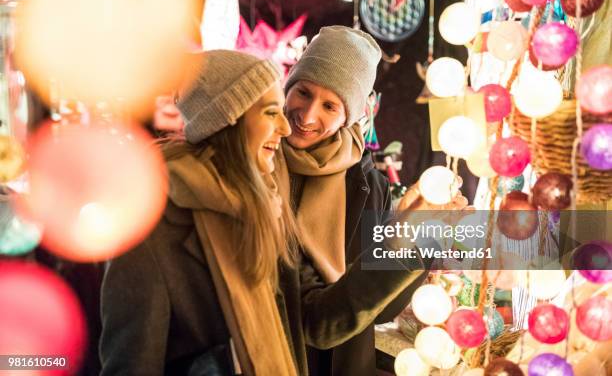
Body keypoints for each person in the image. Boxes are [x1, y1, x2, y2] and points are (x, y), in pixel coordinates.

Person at [99, 50, 426, 376]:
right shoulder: (149, 229)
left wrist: (407, 242)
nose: (288, 126)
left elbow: (317, 323)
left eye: (330, 105)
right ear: (229, 119)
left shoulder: (269, 208)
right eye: (272, 112)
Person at [282, 26, 467, 376]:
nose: (307, 115)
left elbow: (381, 310)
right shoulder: (260, 166)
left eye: (329, 105)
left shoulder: (367, 184)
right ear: (288, 88)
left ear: (350, 114)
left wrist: (417, 237)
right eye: (303, 92)